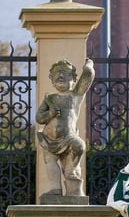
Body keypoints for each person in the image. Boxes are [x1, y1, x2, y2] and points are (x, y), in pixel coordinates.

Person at [35, 58, 94, 197]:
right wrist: (50, 113)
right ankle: (55, 189)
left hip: (69, 137)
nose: (60, 76)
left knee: (79, 146)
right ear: (52, 79)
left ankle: (73, 187)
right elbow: (39, 118)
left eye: (65, 74)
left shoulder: (75, 95)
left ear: (73, 78)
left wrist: (89, 66)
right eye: (57, 74)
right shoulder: (50, 98)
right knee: (50, 162)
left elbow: (87, 79)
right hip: (49, 139)